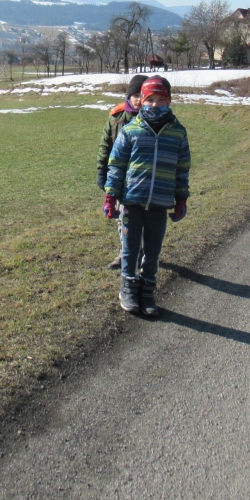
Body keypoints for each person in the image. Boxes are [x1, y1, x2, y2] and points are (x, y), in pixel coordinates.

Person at [103, 76, 190, 317]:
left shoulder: (178, 133)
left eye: (161, 100)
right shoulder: (130, 131)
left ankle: (147, 290)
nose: (155, 104)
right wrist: (111, 197)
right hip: (132, 201)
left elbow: (182, 168)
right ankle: (128, 288)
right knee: (130, 248)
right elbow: (116, 166)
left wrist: (181, 198)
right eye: (150, 99)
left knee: (152, 250)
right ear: (141, 100)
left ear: (169, 101)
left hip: (160, 202)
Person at [96, 73, 148, 269]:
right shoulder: (116, 118)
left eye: (142, 95)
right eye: (135, 95)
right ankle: (125, 252)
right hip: (120, 178)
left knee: (144, 218)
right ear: (128, 96)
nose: (138, 100)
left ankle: (143, 251)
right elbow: (105, 146)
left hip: (143, 178)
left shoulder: (153, 119)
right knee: (122, 217)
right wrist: (102, 170)